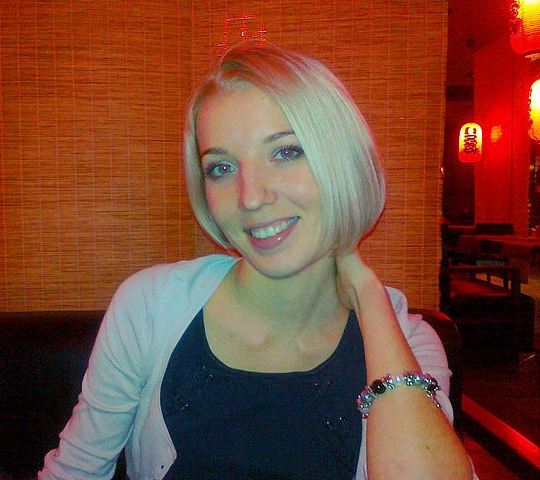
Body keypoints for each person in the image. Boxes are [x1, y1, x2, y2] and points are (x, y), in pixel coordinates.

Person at [39, 41, 476, 479]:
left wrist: (367, 291)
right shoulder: (151, 306)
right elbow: (74, 472)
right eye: (221, 168)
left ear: (343, 162)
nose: (250, 197)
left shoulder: (408, 342)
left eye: (285, 152)